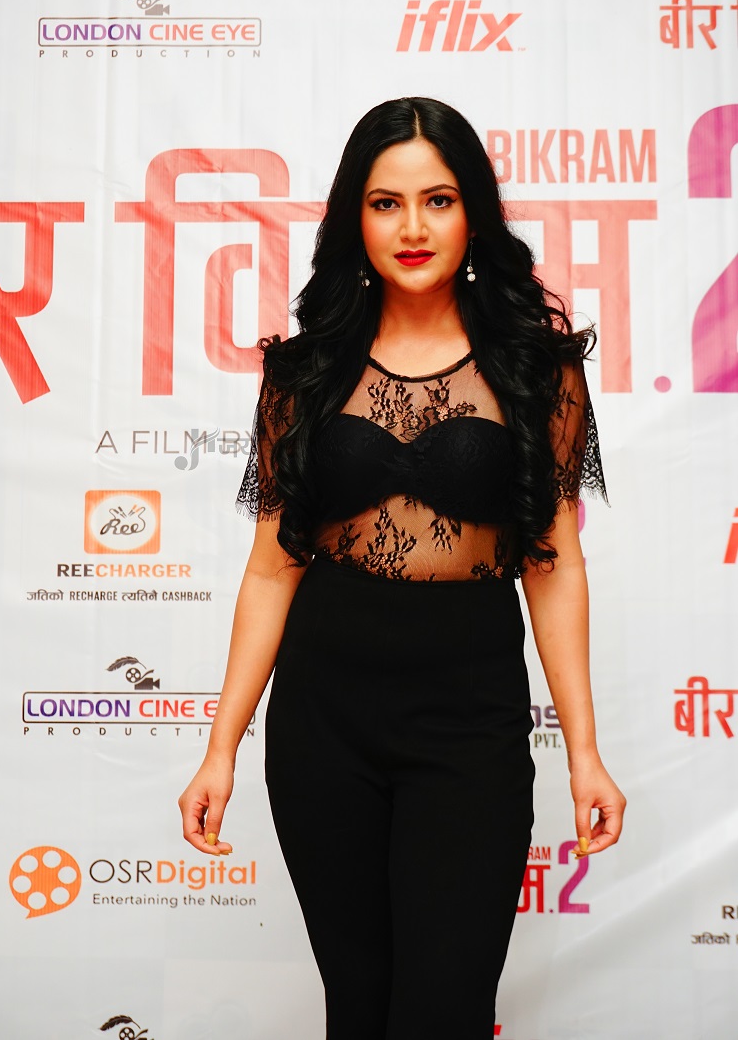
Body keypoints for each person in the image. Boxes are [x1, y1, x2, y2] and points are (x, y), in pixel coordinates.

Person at [178, 97, 626, 1038]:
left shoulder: (537, 370)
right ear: (356, 217)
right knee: (360, 1006)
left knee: (444, 1009)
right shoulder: (302, 372)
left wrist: (585, 751)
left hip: (469, 713)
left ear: (474, 215)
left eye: (438, 200)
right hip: (323, 716)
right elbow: (270, 570)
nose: (413, 227)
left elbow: (552, 563)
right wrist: (220, 747)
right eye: (386, 203)